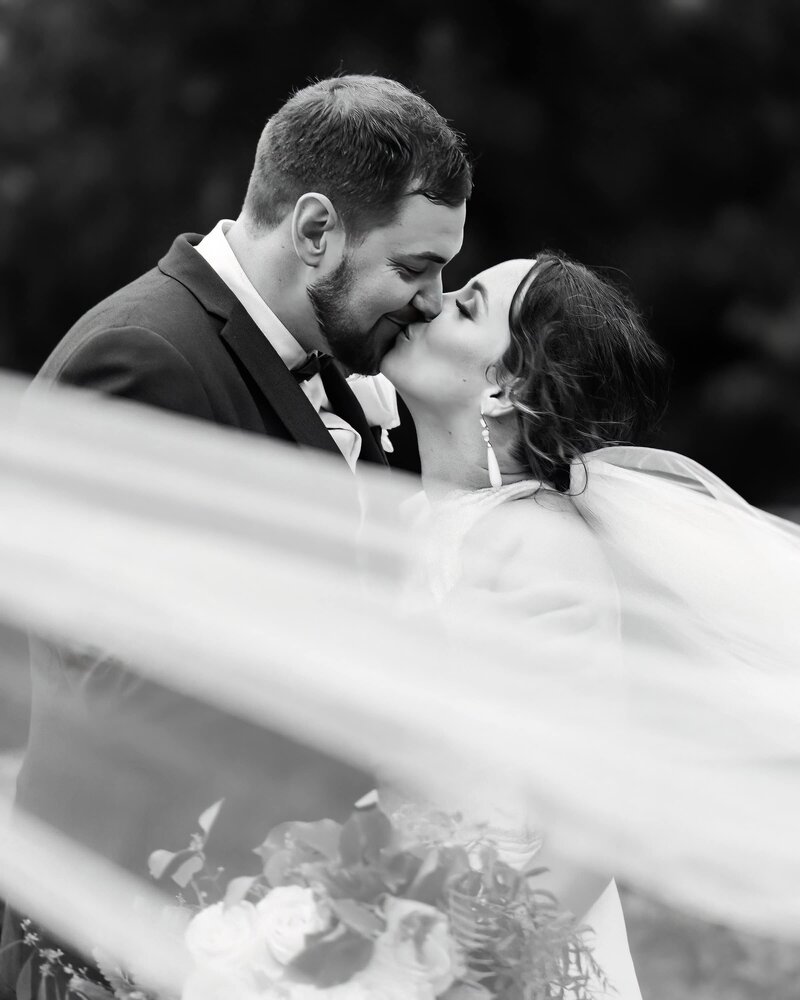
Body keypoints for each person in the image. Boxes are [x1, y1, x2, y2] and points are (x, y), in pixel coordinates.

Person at [0, 75, 471, 999]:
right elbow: (111, 675)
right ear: (314, 231)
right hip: (127, 929)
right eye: (415, 268)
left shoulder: (336, 372)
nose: (432, 300)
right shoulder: (144, 359)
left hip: (275, 914)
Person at [380, 250, 800, 998]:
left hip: (508, 956)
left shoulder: (536, 545)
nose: (428, 303)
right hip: (405, 924)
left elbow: (589, 825)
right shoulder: (416, 523)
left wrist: (473, 977)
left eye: (467, 306)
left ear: (506, 385)